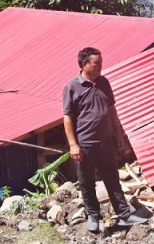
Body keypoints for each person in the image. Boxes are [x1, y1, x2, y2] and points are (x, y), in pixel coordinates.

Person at [62, 47, 148, 233]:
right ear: (85, 64)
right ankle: (93, 215)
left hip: (106, 141)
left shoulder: (104, 83)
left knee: (112, 178)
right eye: (97, 63)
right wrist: (73, 144)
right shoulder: (72, 87)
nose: (101, 66)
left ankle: (124, 213)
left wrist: (118, 135)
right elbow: (67, 117)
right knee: (86, 181)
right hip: (85, 144)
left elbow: (112, 111)